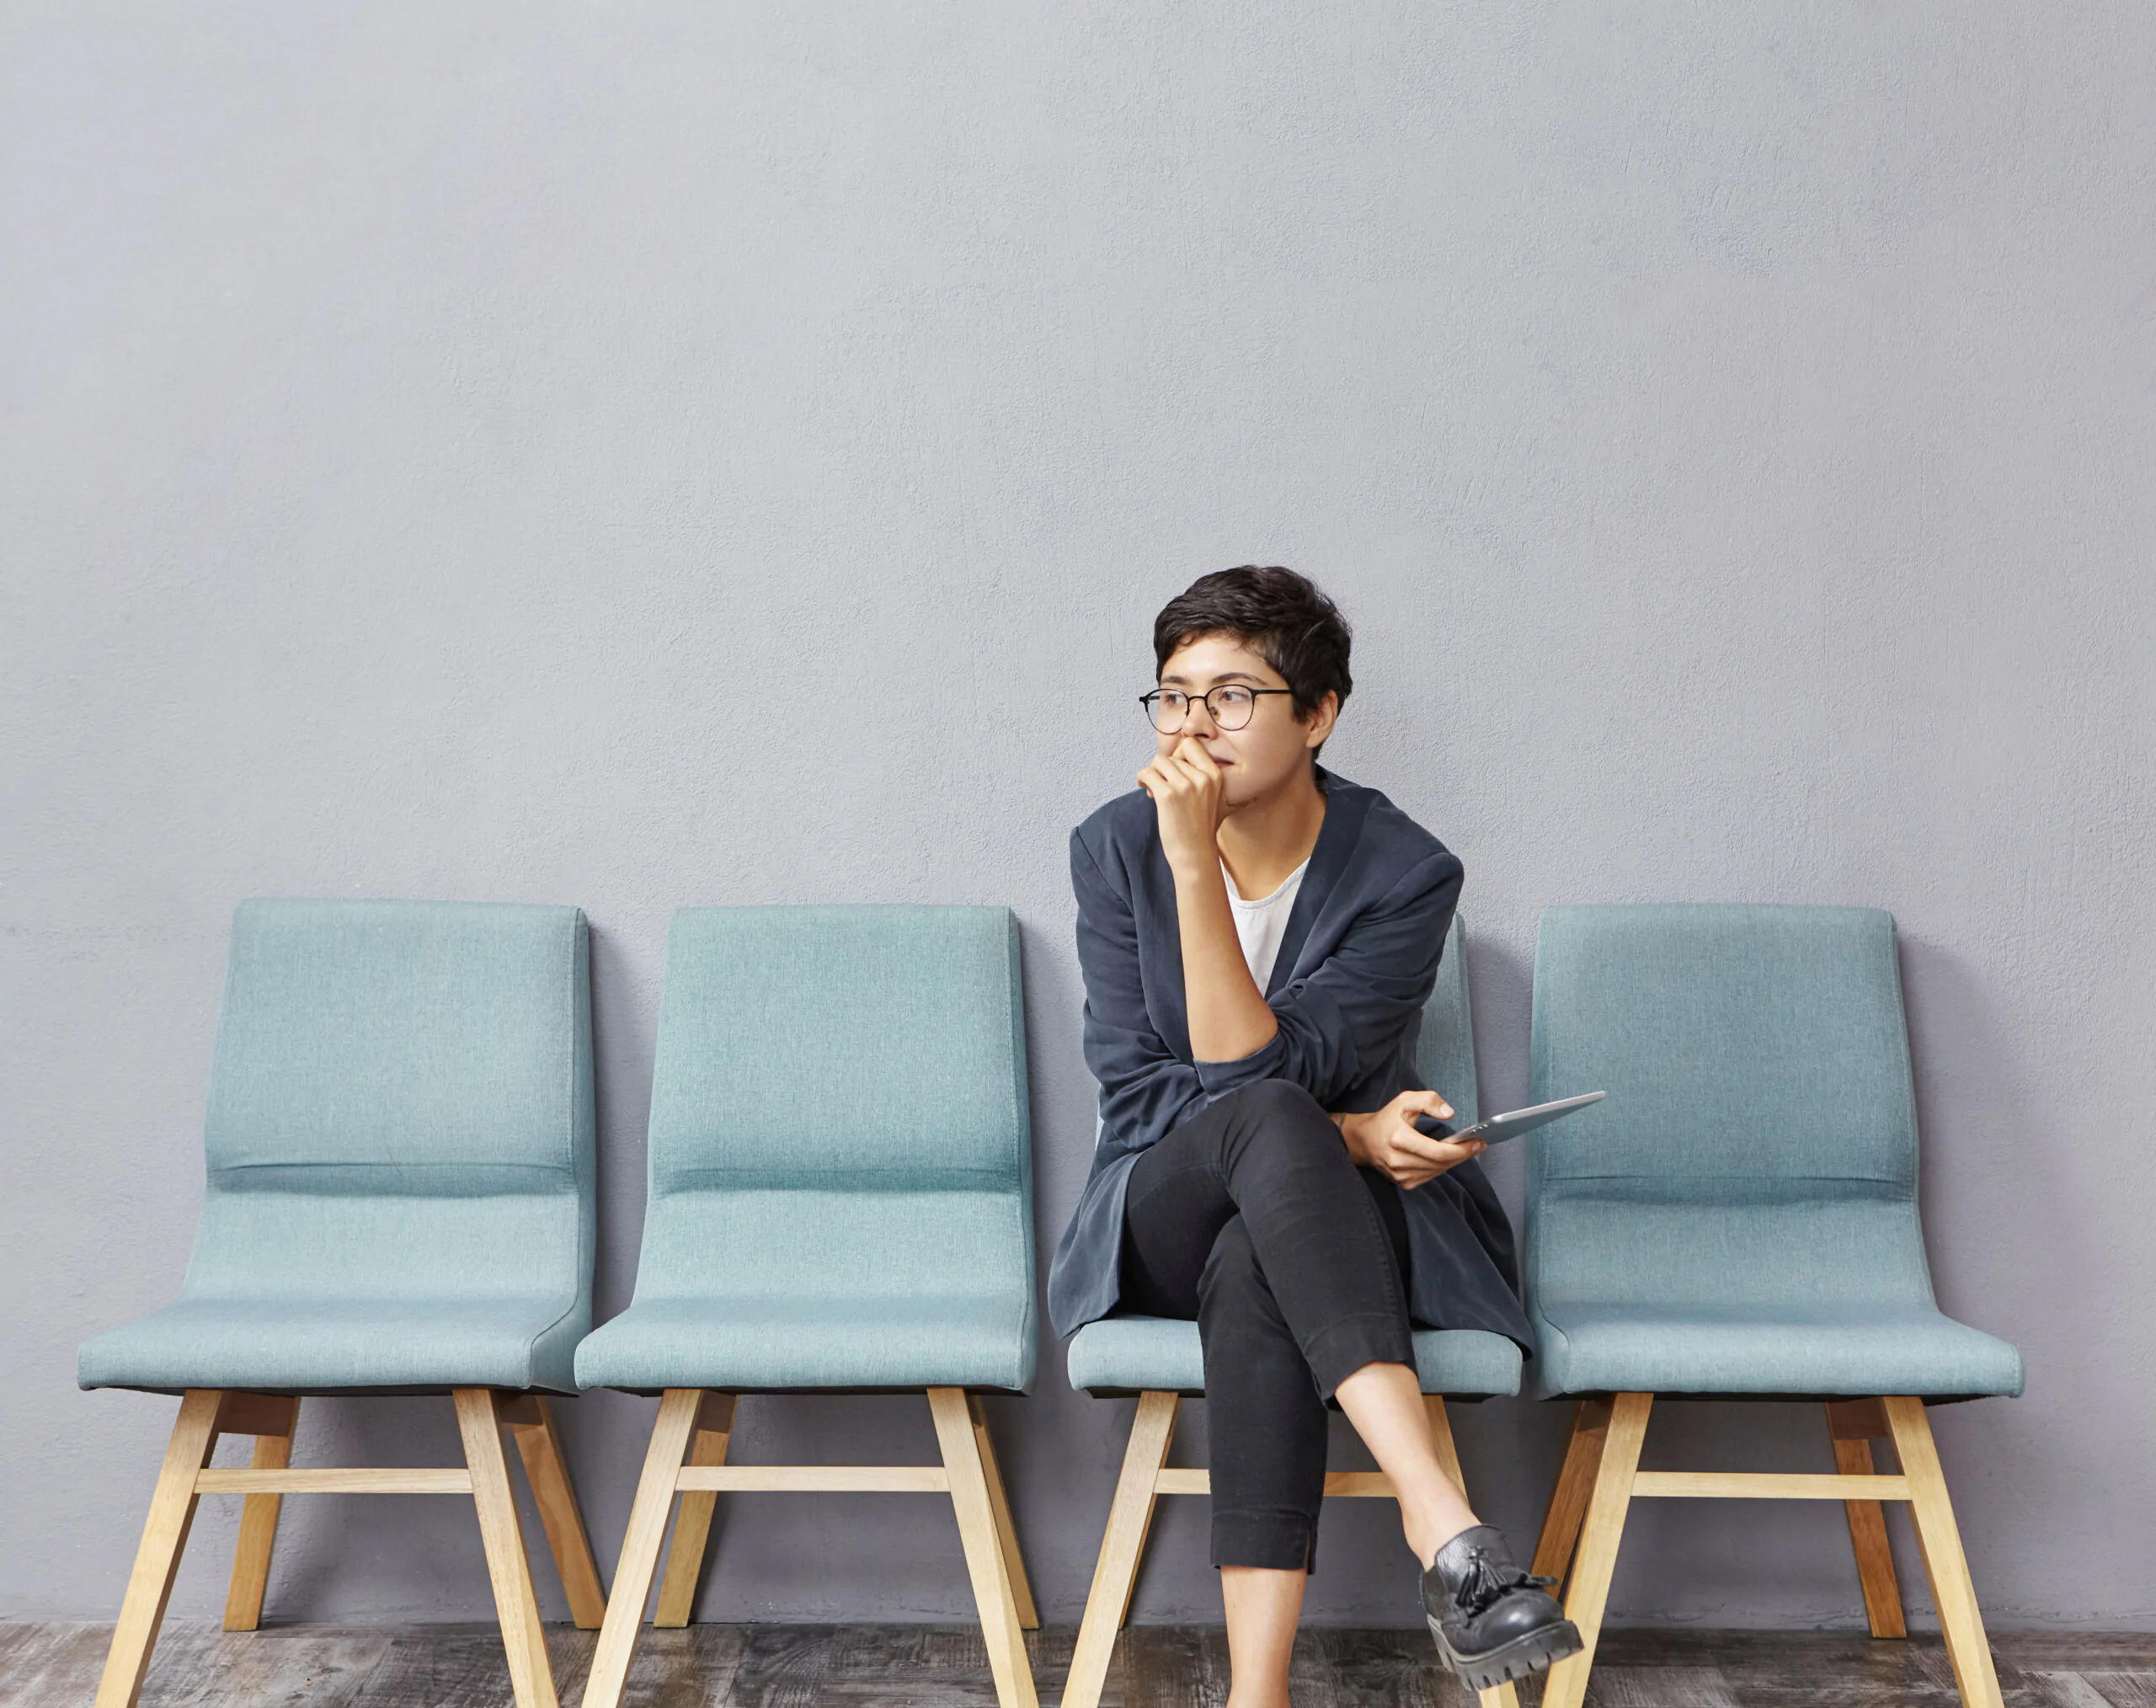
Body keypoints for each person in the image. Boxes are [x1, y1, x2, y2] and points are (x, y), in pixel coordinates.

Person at [1047, 566, 1580, 1705]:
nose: (1194, 727)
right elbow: (1151, 1101)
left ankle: (1258, 1695)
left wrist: (1315, 1125)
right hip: (1159, 1204)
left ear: (1320, 713)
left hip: (1312, 1233)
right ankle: (1448, 1528)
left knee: (1258, 1259)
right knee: (1274, 1133)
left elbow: (1275, 1073)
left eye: (1232, 696)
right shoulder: (1114, 848)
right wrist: (1190, 860)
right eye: (1174, 697)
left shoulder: (1406, 872)